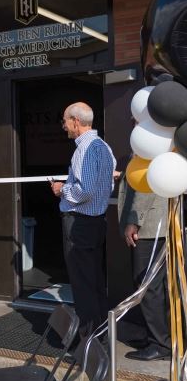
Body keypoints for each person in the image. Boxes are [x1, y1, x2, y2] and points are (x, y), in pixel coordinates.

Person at [51, 102, 116, 338]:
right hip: (96, 221)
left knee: (83, 284)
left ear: (76, 121)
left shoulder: (85, 148)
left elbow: (84, 190)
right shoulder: (104, 147)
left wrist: (62, 190)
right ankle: (100, 333)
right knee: (95, 281)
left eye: (65, 121)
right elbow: (107, 184)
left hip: (80, 223)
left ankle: (88, 340)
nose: (64, 126)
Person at [118, 173, 171, 361]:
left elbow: (148, 182)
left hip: (149, 226)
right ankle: (157, 338)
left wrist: (134, 220)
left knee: (148, 285)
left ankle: (160, 344)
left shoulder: (151, 145)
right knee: (153, 284)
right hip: (155, 223)